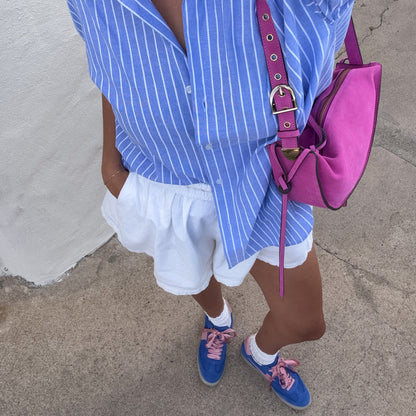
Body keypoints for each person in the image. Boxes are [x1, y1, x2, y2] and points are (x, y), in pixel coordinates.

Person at [67, 0, 355, 410]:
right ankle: (218, 320)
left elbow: (320, 61)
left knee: (306, 321)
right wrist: (111, 165)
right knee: (194, 273)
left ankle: (260, 353)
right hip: (166, 183)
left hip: (265, 186)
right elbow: (109, 65)